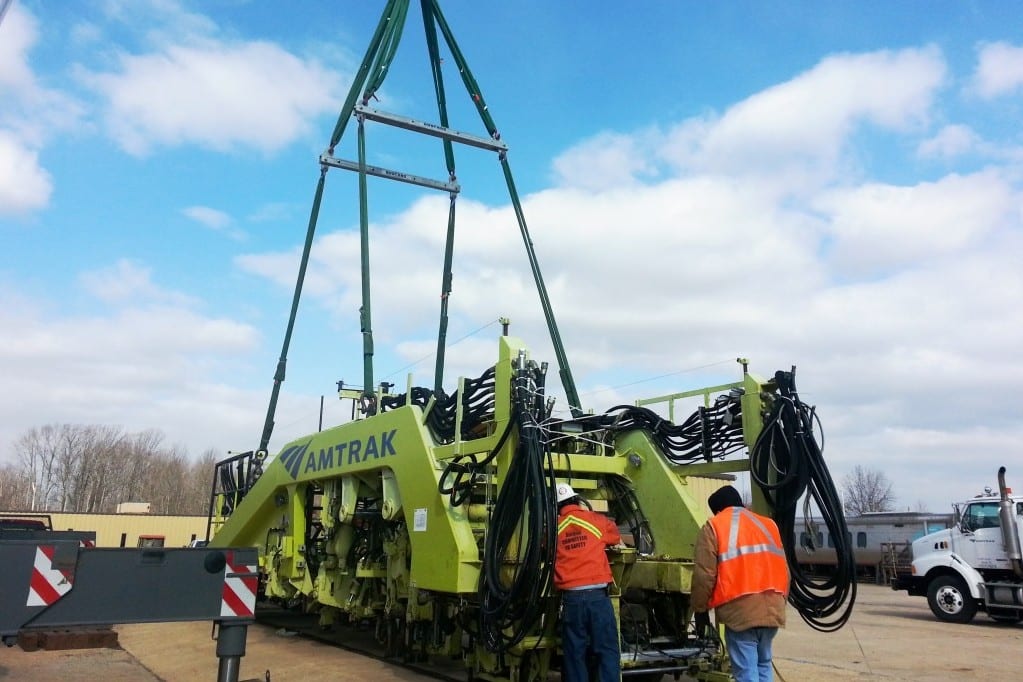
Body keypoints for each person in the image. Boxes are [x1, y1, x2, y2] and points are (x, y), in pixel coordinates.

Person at [691, 485, 789, 682]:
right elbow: (785, 571)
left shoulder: (715, 526)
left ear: (718, 510)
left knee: (746, 674)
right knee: (763, 664)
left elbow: (705, 574)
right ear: (741, 504)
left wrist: (700, 608)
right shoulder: (769, 525)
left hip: (740, 613)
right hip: (773, 609)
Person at [554, 482, 622, 682]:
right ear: (577, 500)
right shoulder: (595, 521)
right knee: (607, 650)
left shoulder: (554, 528)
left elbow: (543, 546)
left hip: (572, 600)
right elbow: (614, 536)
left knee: (575, 654)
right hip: (598, 599)